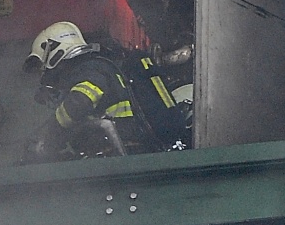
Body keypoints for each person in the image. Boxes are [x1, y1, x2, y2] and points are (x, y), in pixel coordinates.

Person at [24, 21, 187, 159]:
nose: (44, 72)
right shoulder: (103, 65)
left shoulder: (88, 68)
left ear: (53, 49)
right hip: (134, 149)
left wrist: (51, 134)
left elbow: (81, 100)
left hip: (121, 152)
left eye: (42, 65)